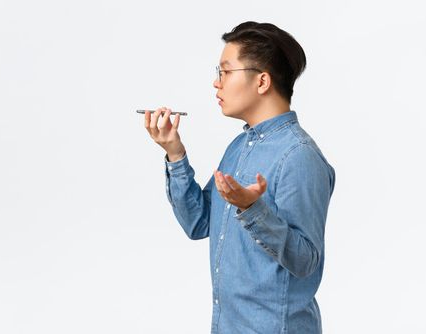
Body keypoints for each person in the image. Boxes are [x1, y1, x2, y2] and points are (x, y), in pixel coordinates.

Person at [144, 21, 336, 334]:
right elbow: (199, 223)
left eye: (225, 71)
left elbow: (305, 260)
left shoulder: (299, 156)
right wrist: (175, 153)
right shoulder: (239, 146)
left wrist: (252, 209)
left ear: (262, 82)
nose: (216, 83)